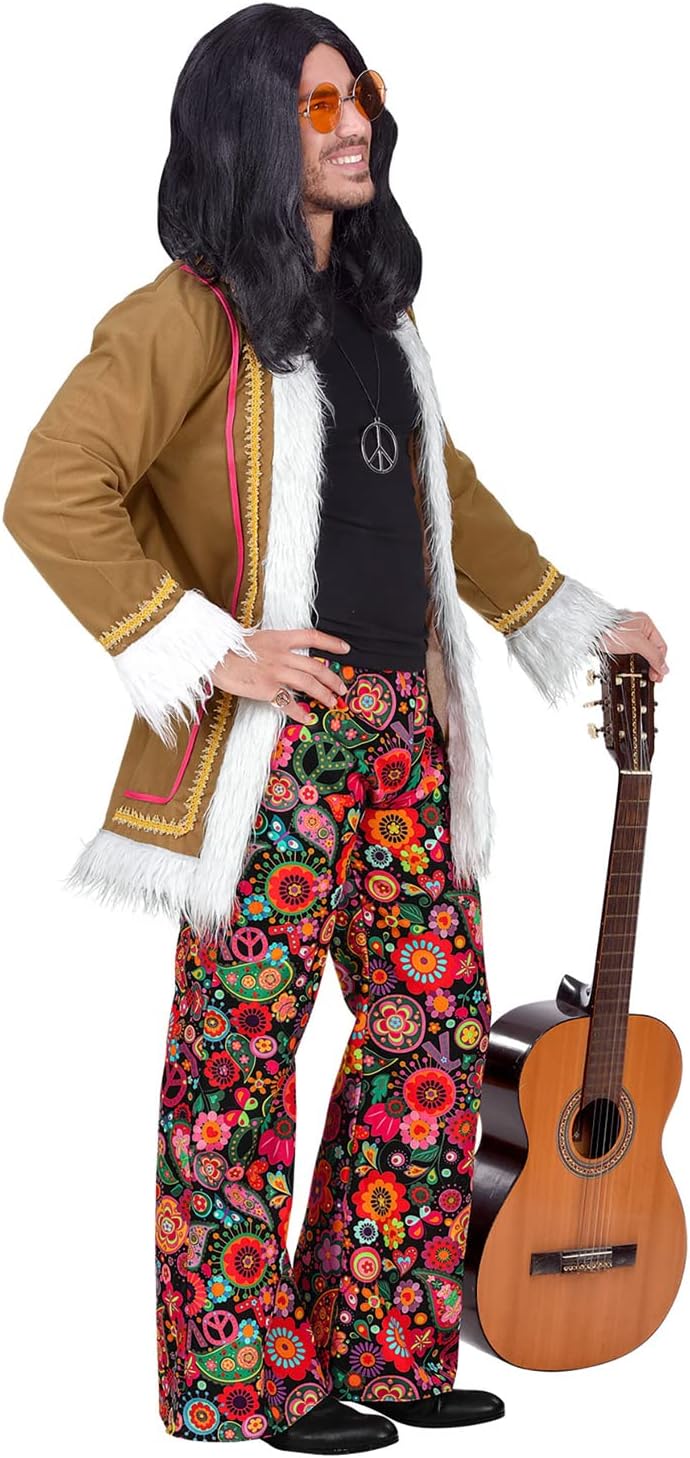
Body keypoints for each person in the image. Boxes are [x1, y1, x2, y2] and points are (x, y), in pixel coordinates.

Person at [3, 4, 669, 1453]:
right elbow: (52, 484)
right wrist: (207, 648)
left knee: (431, 1032)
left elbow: (449, 501)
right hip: (277, 747)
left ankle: (382, 1336)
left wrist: (575, 616)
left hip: (408, 736)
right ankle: (243, 1376)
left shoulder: (384, 317)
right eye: (318, 105)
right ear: (251, 125)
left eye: (358, 92)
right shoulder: (188, 312)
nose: (356, 121)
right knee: (238, 1060)